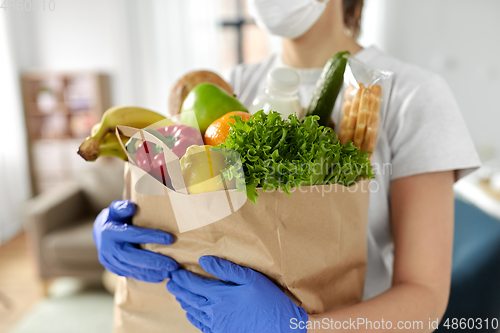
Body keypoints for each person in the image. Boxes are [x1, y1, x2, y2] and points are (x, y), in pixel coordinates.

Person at [93, 0, 481, 331]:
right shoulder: (233, 85)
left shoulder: (414, 95)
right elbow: (197, 206)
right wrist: (135, 224)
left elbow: (425, 300)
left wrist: (298, 327)